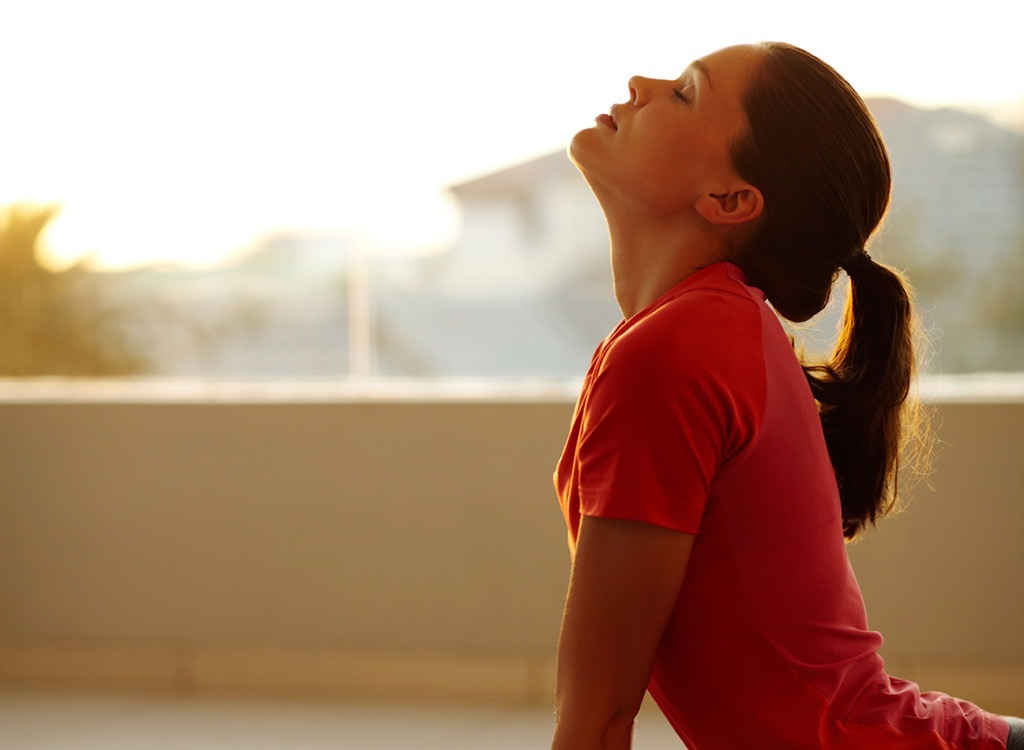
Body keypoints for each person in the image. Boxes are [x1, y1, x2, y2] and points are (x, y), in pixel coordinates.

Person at [550, 42, 1023, 750]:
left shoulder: (674, 350)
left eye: (684, 92)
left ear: (730, 199)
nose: (641, 82)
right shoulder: (702, 327)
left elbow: (599, 720)